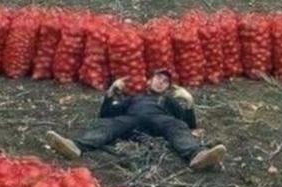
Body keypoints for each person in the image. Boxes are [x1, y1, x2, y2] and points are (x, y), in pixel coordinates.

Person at [47, 68, 225, 170]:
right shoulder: (134, 97)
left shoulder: (168, 100)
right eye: (158, 78)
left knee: (176, 124)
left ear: (168, 88)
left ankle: (197, 155)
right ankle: (76, 146)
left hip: (160, 122)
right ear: (149, 80)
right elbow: (106, 113)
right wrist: (110, 92)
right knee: (111, 124)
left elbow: (187, 124)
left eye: (165, 82)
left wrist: (189, 101)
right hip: (132, 121)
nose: (161, 82)